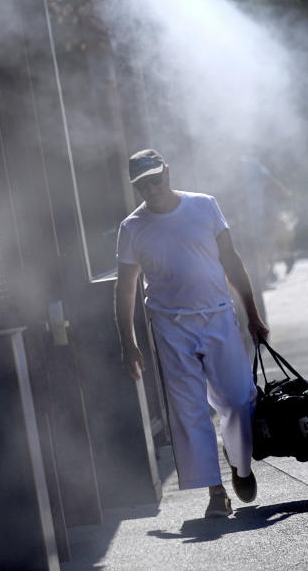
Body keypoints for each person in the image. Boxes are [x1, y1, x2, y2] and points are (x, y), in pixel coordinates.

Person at [114, 149, 269, 519]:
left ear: (167, 171)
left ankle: (239, 466)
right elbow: (125, 289)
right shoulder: (132, 227)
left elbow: (231, 261)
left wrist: (252, 314)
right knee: (190, 410)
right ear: (134, 187)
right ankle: (216, 493)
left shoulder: (204, 206)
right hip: (170, 327)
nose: (151, 189)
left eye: (155, 179)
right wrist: (128, 343)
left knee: (235, 401)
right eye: (142, 185)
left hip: (217, 317)